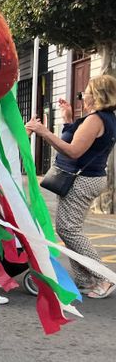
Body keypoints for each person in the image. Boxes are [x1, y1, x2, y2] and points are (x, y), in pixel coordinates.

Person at [26, 74, 116, 299]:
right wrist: (67, 119)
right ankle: (85, 279)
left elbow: (74, 150)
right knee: (69, 228)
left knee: (69, 229)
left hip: (82, 179)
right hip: (83, 178)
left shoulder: (95, 120)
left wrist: (44, 132)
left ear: (96, 95)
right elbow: (77, 142)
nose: (82, 94)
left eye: (86, 91)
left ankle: (104, 276)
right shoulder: (102, 118)